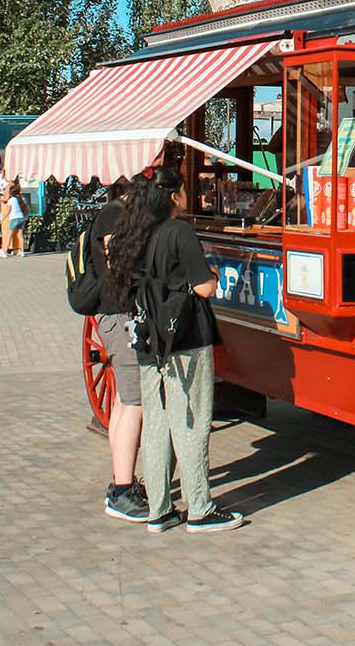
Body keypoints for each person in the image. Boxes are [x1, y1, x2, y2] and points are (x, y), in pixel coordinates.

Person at [110, 167, 243, 534]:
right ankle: (199, 506)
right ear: (172, 196)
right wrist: (213, 276)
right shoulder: (179, 232)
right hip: (185, 336)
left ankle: (159, 508)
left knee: (157, 422)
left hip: (149, 336)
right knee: (192, 419)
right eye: (184, 189)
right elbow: (204, 288)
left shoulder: (134, 233)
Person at [93, 176, 147, 521]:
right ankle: (122, 491)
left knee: (120, 402)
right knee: (134, 403)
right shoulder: (114, 217)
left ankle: (120, 483)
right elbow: (118, 265)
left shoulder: (111, 214)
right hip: (120, 313)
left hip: (114, 313)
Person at [0, 181, 27, 257]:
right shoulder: (17, 199)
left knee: (9, 236)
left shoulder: (10, 201)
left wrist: (2, 219)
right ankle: (22, 252)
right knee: (20, 236)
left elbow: (8, 211)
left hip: (14, 219)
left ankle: (4, 252)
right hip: (21, 218)